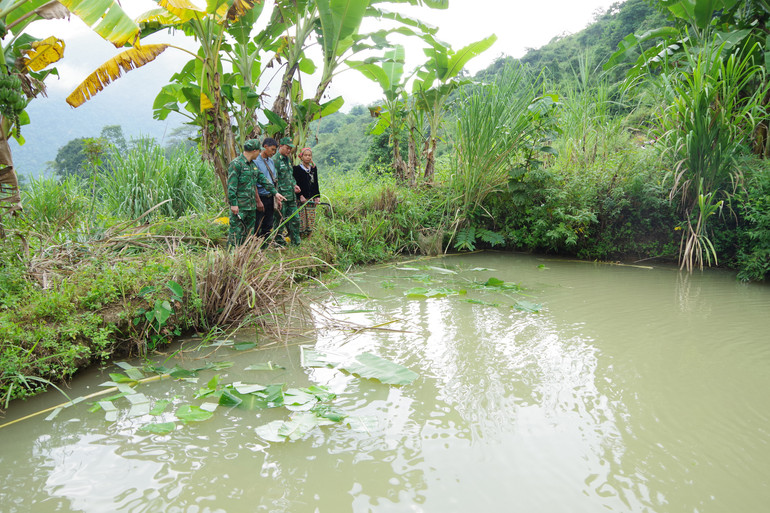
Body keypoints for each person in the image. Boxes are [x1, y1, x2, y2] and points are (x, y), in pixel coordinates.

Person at [227, 139, 286, 247]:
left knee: (249, 234)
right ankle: (231, 257)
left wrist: (275, 193)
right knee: (236, 233)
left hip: (251, 206)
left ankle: (245, 256)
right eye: (259, 151)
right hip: (240, 206)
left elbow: (263, 179)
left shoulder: (252, 165)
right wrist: (234, 204)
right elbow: (231, 187)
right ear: (254, 151)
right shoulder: (236, 164)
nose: (259, 153)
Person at [273, 137, 302, 246]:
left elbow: (289, 176)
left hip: (291, 195)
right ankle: (278, 241)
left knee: (295, 219)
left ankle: (296, 242)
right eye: (287, 148)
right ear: (280, 146)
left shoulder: (287, 160)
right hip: (281, 196)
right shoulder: (275, 160)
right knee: (279, 220)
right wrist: (276, 196)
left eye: (290, 149)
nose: (289, 150)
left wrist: (294, 185)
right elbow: (273, 179)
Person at [253, 137, 280, 240]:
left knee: (268, 223)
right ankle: (255, 246)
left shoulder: (271, 162)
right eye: (272, 149)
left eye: (275, 150)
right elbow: (254, 183)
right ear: (265, 147)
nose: (273, 152)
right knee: (257, 223)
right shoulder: (256, 161)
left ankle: (265, 245)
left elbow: (273, 181)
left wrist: (276, 197)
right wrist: (258, 200)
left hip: (270, 197)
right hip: (260, 196)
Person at [293, 147, 320, 237]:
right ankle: (300, 235)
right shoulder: (296, 169)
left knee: (311, 217)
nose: (308, 157)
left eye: (309, 155)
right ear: (301, 157)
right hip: (301, 198)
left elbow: (316, 183)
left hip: (311, 197)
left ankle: (309, 236)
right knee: (301, 217)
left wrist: (317, 196)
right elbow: (295, 184)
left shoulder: (313, 169)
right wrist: (300, 195)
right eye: (306, 155)